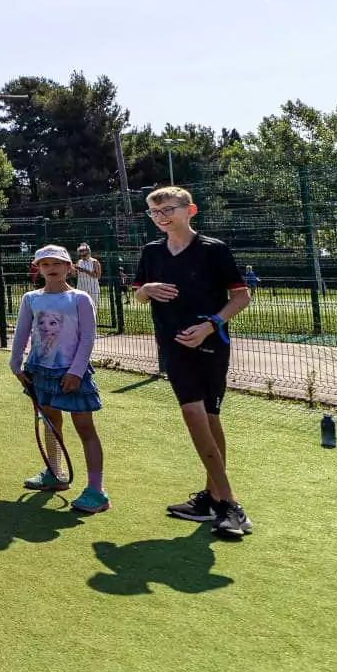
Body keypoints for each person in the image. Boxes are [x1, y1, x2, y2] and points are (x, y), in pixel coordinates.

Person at [133, 186, 253, 538]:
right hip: (173, 345)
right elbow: (138, 295)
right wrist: (146, 290)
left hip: (211, 343)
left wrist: (210, 325)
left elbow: (241, 297)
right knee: (192, 412)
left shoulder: (213, 250)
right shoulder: (152, 251)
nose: (162, 217)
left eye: (168, 209)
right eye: (155, 213)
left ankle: (215, 499)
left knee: (210, 416)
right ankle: (229, 503)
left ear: (191, 210)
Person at [10, 245, 108, 513]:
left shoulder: (80, 299)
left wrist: (76, 372)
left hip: (71, 373)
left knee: (85, 429)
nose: (51, 268)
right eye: (44, 264)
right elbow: (21, 334)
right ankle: (55, 473)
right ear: (38, 269)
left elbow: (88, 338)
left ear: (69, 267)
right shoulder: (31, 298)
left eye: (57, 263)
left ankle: (96, 491)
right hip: (39, 371)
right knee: (51, 423)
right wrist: (15, 365)